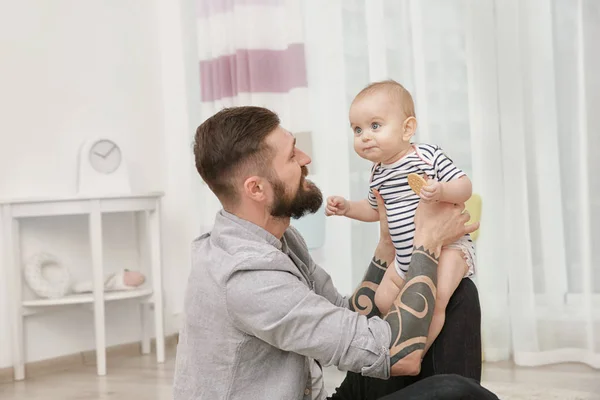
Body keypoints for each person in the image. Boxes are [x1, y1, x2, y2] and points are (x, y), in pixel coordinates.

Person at [173, 106, 498, 400]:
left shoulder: (276, 238)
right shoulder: (246, 278)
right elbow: (399, 356)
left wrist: (386, 243)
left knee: (459, 293)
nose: (305, 159)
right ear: (256, 188)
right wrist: (426, 242)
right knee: (455, 394)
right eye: (291, 156)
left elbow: (354, 316)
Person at [326, 80, 476, 354]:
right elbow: (374, 210)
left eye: (375, 126)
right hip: (405, 258)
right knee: (383, 301)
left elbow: (465, 187)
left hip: (446, 250)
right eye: (357, 130)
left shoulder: (427, 156)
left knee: (437, 297)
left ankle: (412, 356)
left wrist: (441, 190)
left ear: (407, 128)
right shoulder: (378, 173)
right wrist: (348, 207)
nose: (364, 136)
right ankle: (401, 343)